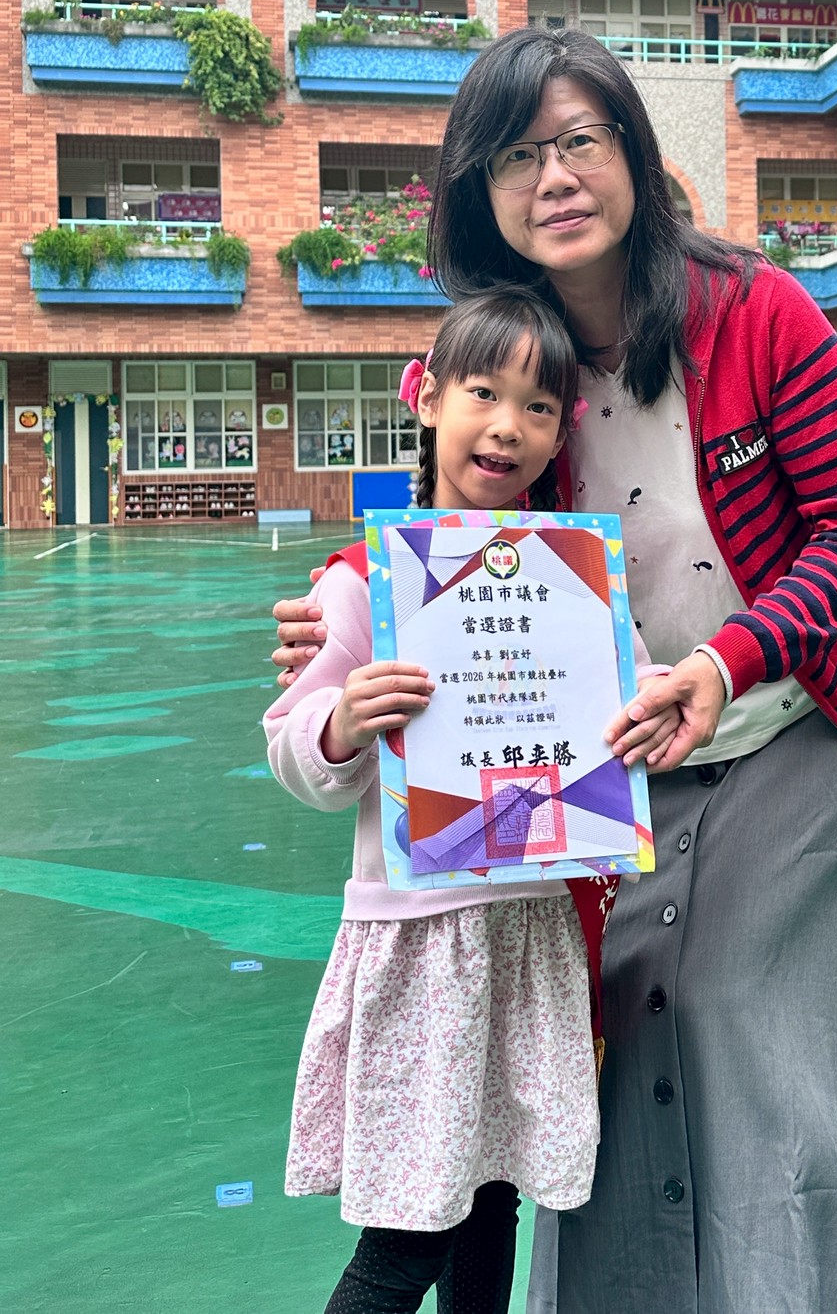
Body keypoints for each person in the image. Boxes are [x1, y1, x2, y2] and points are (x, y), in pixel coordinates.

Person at [272, 27, 837, 1314]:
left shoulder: (755, 311)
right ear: (479, 191)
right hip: (617, 759)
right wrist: (353, 599)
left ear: (636, 157)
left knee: (734, 1014)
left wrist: (726, 661)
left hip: (796, 715)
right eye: (516, 156)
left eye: (581, 142)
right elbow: (465, 508)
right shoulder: (518, 355)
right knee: (622, 1026)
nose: (555, 178)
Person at [264, 287, 677, 1314]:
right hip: (425, 946)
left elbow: (634, 688)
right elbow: (293, 747)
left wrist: (663, 701)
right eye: (484, 393)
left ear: (562, 430)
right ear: (428, 398)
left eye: (538, 406)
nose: (507, 425)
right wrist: (343, 723)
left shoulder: (575, 581)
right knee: (408, 1239)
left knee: (494, 1204)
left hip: (530, 935)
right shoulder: (363, 584)